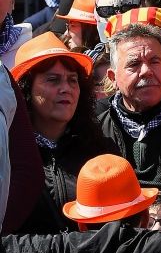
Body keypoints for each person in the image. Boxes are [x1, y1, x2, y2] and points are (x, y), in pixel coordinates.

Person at [12, 32, 117, 232]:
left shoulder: (102, 150)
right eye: (53, 80)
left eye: (73, 80)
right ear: (25, 90)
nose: (66, 88)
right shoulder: (8, 155)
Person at [96, 14, 161, 191]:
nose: (146, 71)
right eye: (134, 64)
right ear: (113, 78)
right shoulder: (95, 134)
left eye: (154, 61)